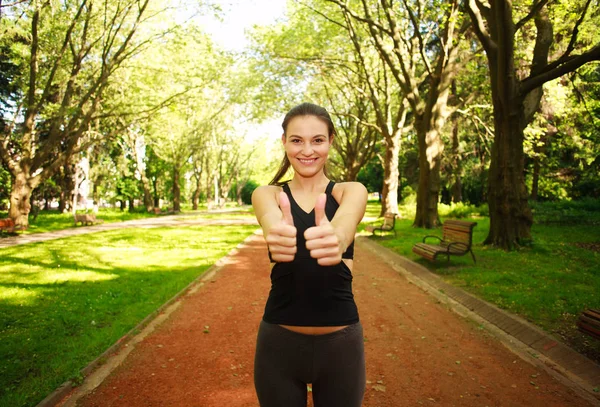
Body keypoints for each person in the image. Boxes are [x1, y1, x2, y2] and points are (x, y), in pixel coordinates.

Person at [252, 102, 368, 407]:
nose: (307, 150)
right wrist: (276, 229)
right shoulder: (269, 194)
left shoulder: (349, 191)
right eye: (297, 140)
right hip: (278, 347)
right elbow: (268, 216)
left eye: (317, 140)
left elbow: (347, 219)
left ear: (331, 141)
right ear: (284, 142)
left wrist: (337, 236)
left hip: (341, 348)